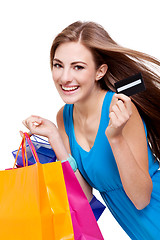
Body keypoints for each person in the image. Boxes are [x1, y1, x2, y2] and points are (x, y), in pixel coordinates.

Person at [22, 21, 160, 239]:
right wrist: (56, 139)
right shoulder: (64, 116)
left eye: (78, 67)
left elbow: (141, 199)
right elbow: (84, 196)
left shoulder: (121, 108)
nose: (65, 77)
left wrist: (116, 138)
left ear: (100, 71)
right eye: (58, 65)